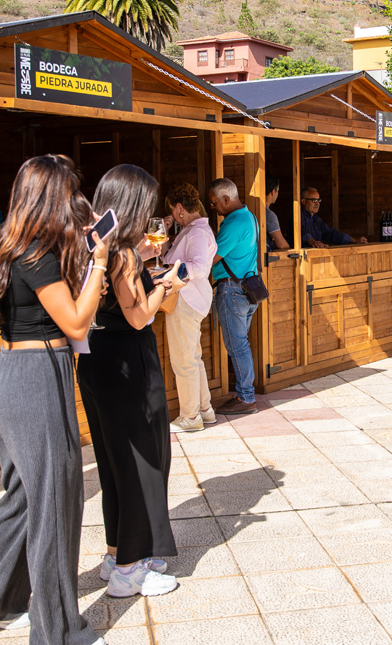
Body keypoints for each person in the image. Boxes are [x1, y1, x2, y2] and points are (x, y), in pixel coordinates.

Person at [0, 155, 109, 641]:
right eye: (69, 192)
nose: (74, 200)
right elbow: (75, 322)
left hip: (12, 374)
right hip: (36, 377)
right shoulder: (36, 255)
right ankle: (57, 631)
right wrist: (100, 262)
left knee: (24, 498)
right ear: (51, 197)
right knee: (55, 506)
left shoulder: (7, 244)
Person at [78, 164, 183, 599]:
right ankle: (129, 569)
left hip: (97, 357)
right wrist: (168, 285)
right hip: (127, 360)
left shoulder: (93, 244)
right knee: (143, 460)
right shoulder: (121, 253)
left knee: (113, 462)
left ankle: (116, 552)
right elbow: (138, 316)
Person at [163, 183, 219, 433]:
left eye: (172, 211)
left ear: (180, 208)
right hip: (193, 298)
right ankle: (204, 410)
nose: (173, 216)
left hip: (185, 298)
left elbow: (198, 267)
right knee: (193, 358)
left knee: (184, 361)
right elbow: (170, 258)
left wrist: (168, 274)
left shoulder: (196, 232)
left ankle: (190, 416)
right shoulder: (194, 230)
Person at [209, 178, 262, 414]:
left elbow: (211, 258)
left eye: (214, 203)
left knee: (238, 346)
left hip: (232, 291)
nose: (213, 208)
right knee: (242, 344)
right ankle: (245, 394)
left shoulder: (232, 223)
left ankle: (246, 398)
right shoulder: (249, 216)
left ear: (226, 199)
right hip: (248, 290)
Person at [300, 187, 367, 247]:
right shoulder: (298, 217)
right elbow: (303, 233)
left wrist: (355, 240)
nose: (317, 203)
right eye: (314, 200)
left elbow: (331, 233)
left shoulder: (316, 219)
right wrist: (312, 241)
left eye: (319, 200)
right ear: (304, 201)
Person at [264, 174, 290, 251]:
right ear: (273, 192)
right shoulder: (269, 215)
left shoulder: (251, 209)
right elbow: (281, 245)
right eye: (277, 191)